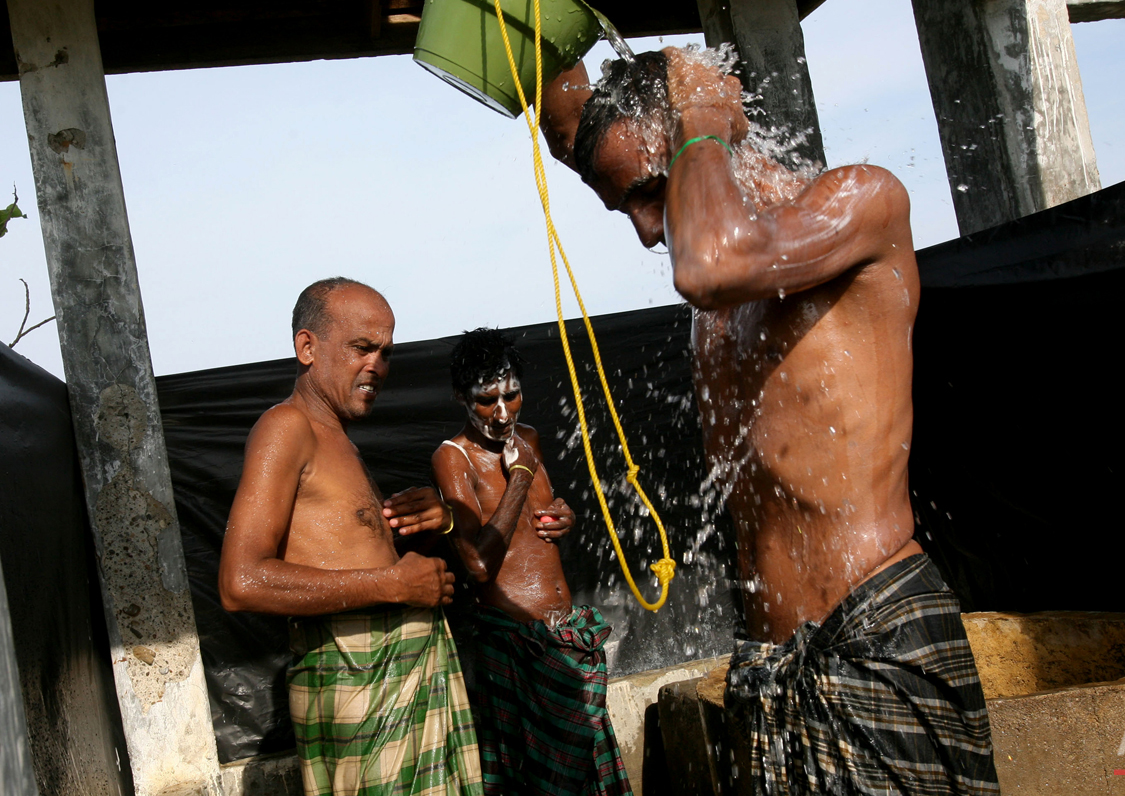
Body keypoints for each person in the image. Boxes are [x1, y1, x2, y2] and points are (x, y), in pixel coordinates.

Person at [541, 52, 1000, 795]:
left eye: (649, 192)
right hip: (766, 663)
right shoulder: (719, 287)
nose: (646, 232)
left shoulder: (857, 203)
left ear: (711, 131)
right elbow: (571, 126)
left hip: (872, 636)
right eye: (622, 208)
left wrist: (697, 110)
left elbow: (710, 263)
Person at [218, 277, 483, 796]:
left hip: (394, 677)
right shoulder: (285, 427)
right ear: (307, 347)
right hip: (359, 685)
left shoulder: (339, 442)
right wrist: (393, 586)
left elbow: (350, 559)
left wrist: (431, 527)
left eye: (386, 353)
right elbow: (240, 581)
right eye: (362, 348)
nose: (377, 366)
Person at [413, 327, 632, 796]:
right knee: (540, 784)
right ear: (460, 397)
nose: (501, 413)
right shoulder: (454, 459)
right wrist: (519, 477)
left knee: (586, 779)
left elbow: (538, 529)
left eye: (511, 396)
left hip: (567, 635)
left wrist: (563, 516)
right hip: (518, 647)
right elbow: (476, 566)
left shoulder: (527, 437)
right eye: (486, 399)